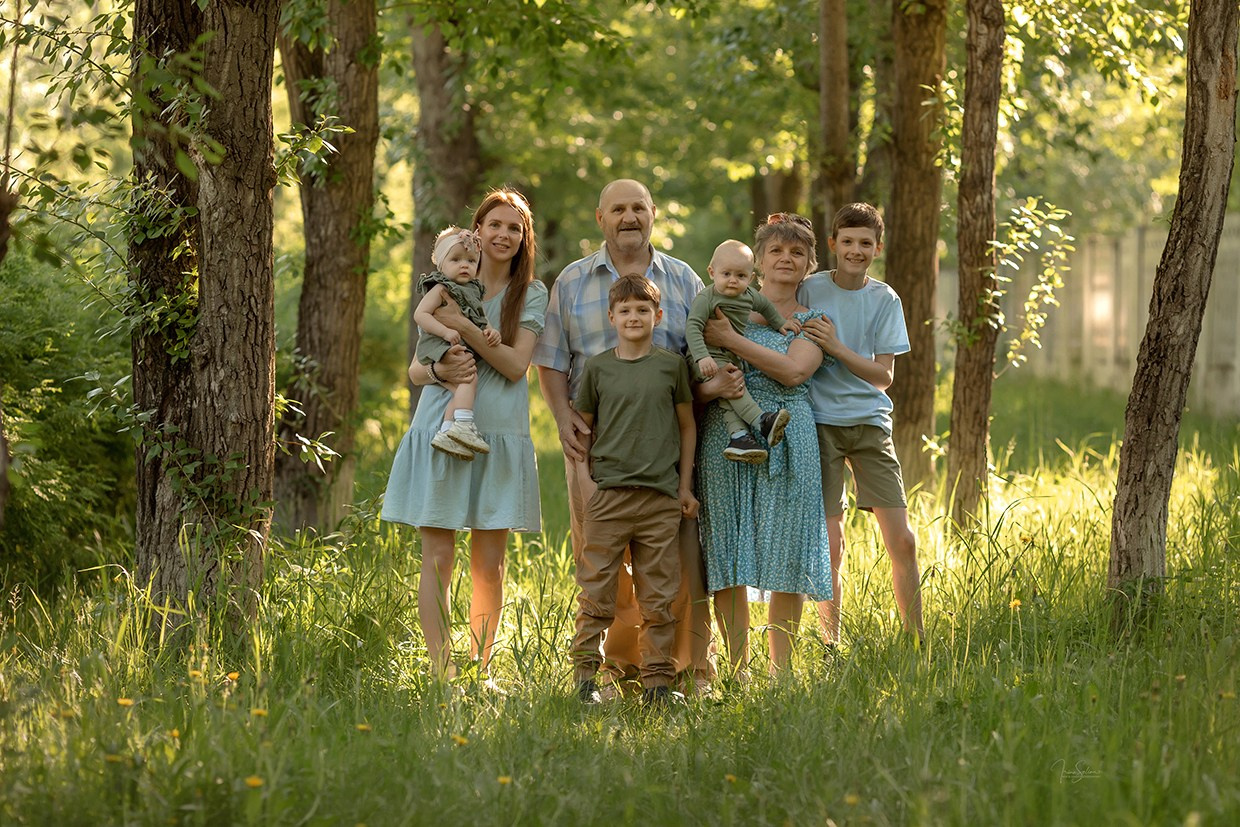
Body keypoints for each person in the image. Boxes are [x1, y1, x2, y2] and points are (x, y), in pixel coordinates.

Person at [534, 178, 736, 696]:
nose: (629, 217)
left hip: (668, 449)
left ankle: (686, 673)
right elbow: (554, 362)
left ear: (653, 215)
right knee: (603, 563)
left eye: (638, 208)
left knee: (677, 565)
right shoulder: (574, 281)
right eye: (618, 209)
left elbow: (704, 359)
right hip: (596, 444)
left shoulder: (685, 281)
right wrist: (562, 420)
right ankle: (618, 672)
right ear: (600, 218)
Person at [382, 188, 548, 682]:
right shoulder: (445, 287)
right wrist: (439, 369)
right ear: (477, 232)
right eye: (494, 225)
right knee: (437, 554)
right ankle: (441, 673)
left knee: (489, 564)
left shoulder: (531, 294)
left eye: (514, 228)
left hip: (499, 434)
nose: (503, 235)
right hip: (442, 428)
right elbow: (416, 370)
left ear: (523, 239)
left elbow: (517, 366)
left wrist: (464, 328)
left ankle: (480, 666)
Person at [696, 213, 832, 676]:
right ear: (758, 265)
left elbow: (794, 372)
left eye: (797, 252)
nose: (786, 259)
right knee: (729, 549)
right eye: (776, 251)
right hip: (726, 434)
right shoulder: (718, 308)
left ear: (810, 263)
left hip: (790, 435)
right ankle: (737, 673)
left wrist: (731, 340)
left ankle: (781, 674)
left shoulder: (811, 322)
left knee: (787, 551)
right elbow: (697, 373)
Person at [799, 203, 923, 645]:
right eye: (847, 242)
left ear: (878, 248)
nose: (855, 250)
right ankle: (829, 642)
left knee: (902, 541)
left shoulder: (884, 298)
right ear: (832, 244)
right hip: (819, 425)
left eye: (865, 243)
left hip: (870, 424)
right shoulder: (809, 290)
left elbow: (883, 377)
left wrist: (835, 346)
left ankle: (916, 640)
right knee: (831, 546)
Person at [572, 275, 699, 706]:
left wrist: (683, 487)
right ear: (611, 317)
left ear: (657, 316)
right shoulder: (598, 368)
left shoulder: (670, 366)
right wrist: (587, 483)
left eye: (642, 310)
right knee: (596, 592)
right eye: (624, 310)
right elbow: (583, 432)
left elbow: (686, 426)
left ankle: (658, 684)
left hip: (660, 500)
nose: (633, 316)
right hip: (608, 497)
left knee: (659, 596)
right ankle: (585, 680)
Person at [686, 239, 795, 464]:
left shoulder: (749, 296)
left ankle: (739, 438)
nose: (733, 281)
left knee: (728, 391)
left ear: (751, 278)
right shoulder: (707, 297)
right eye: (726, 274)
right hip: (704, 354)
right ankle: (762, 421)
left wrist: (779, 323)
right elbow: (693, 327)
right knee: (732, 383)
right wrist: (701, 357)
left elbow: (766, 307)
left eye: (741, 276)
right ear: (711, 272)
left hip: (726, 354)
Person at [413, 226, 503, 460]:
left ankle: (447, 432)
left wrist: (492, 332)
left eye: (471, 260)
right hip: (438, 344)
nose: (465, 265)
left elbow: (482, 320)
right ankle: (463, 424)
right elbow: (421, 315)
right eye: (456, 260)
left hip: (455, 345)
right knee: (468, 377)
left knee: (463, 384)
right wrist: (444, 331)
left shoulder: (473, 289)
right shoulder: (441, 288)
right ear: (441, 264)